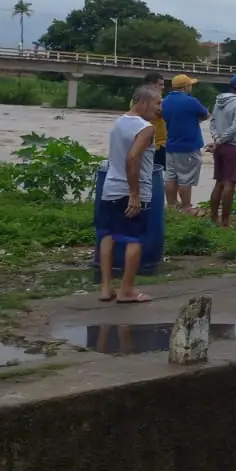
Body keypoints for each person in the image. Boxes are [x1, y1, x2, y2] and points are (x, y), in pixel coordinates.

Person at [98, 83, 160, 305]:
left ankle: (106, 288)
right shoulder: (145, 128)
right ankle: (127, 290)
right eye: (157, 103)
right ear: (143, 102)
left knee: (108, 235)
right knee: (134, 240)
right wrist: (135, 194)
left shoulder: (119, 122)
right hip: (131, 191)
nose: (159, 108)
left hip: (110, 188)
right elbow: (132, 158)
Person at [207, 74, 236, 228]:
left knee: (219, 182)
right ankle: (225, 221)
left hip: (219, 146)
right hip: (234, 146)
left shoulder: (218, 101)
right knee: (230, 184)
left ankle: (213, 218)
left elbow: (212, 122)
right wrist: (221, 141)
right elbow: (235, 127)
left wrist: (217, 139)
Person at [161, 74, 209, 215]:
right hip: (188, 145)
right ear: (185, 87)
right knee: (185, 178)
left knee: (170, 176)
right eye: (190, 85)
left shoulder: (165, 101)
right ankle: (187, 207)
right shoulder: (191, 101)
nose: (191, 87)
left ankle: (171, 205)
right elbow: (206, 114)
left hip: (170, 144)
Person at [142, 72, 169, 172]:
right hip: (155, 145)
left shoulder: (139, 99)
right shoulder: (149, 101)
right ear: (150, 84)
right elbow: (163, 113)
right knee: (158, 176)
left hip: (157, 144)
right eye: (160, 84)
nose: (163, 87)